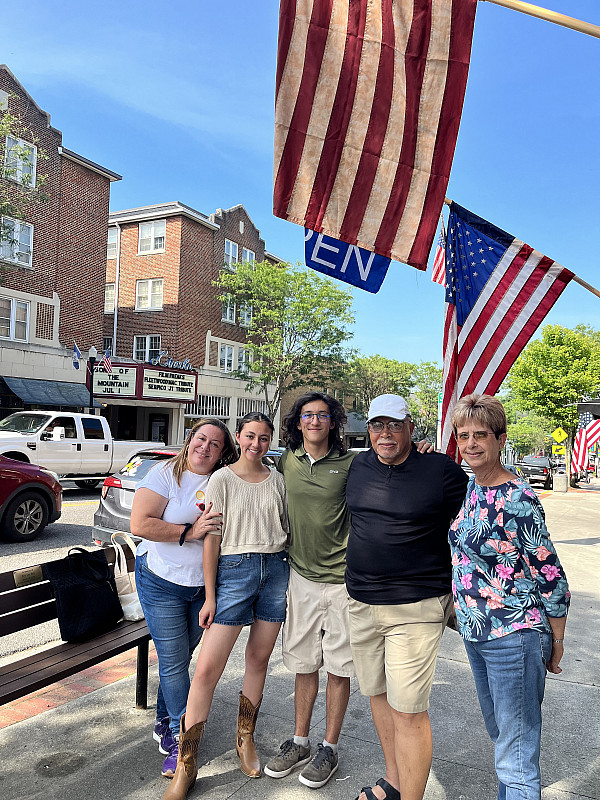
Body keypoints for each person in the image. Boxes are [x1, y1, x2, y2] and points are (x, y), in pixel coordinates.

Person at [345, 394, 468, 800]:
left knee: (409, 710)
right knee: (378, 695)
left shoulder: (441, 471)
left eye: (394, 425)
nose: (385, 434)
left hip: (415, 606)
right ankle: (395, 782)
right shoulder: (358, 464)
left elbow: (475, 520)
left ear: (411, 428)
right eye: (378, 425)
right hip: (361, 601)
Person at [449, 393, 570, 800]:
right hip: (477, 633)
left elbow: (551, 576)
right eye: (463, 435)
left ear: (500, 439)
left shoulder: (519, 499)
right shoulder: (471, 488)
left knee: (516, 755)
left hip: (514, 634)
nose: (470, 443)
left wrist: (556, 640)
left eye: (480, 434)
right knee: (504, 738)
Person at [163, 412, 289, 800]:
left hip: (275, 571)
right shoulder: (222, 479)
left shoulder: (279, 480)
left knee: (259, 660)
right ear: (239, 437)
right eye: (250, 436)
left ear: (271, 441)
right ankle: (187, 764)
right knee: (205, 672)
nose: (257, 444)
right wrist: (212, 595)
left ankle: (244, 740)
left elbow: (287, 530)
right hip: (235, 572)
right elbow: (211, 540)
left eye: (264, 438)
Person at [131, 418, 237, 778]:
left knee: (180, 659)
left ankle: (164, 720)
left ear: (224, 453)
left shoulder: (223, 481)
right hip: (161, 580)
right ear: (189, 440)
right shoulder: (164, 473)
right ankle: (182, 740)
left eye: (215, 444)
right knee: (175, 665)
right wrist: (189, 532)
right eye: (200, 438)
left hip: (201, 587)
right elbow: (140, 524)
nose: (204, 448)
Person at [264, 391, 356, 788]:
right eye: (307, 415)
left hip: (344, 582)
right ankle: (300, 741)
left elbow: (398, 462)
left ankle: (329, 748)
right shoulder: (285, 462)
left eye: (322, 415)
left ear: (333, 422)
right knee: (304, 663)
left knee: (339, 666)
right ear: (297, 423)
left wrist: (422, 448)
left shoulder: (354, 463)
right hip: (300, 577)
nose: (315, 421)